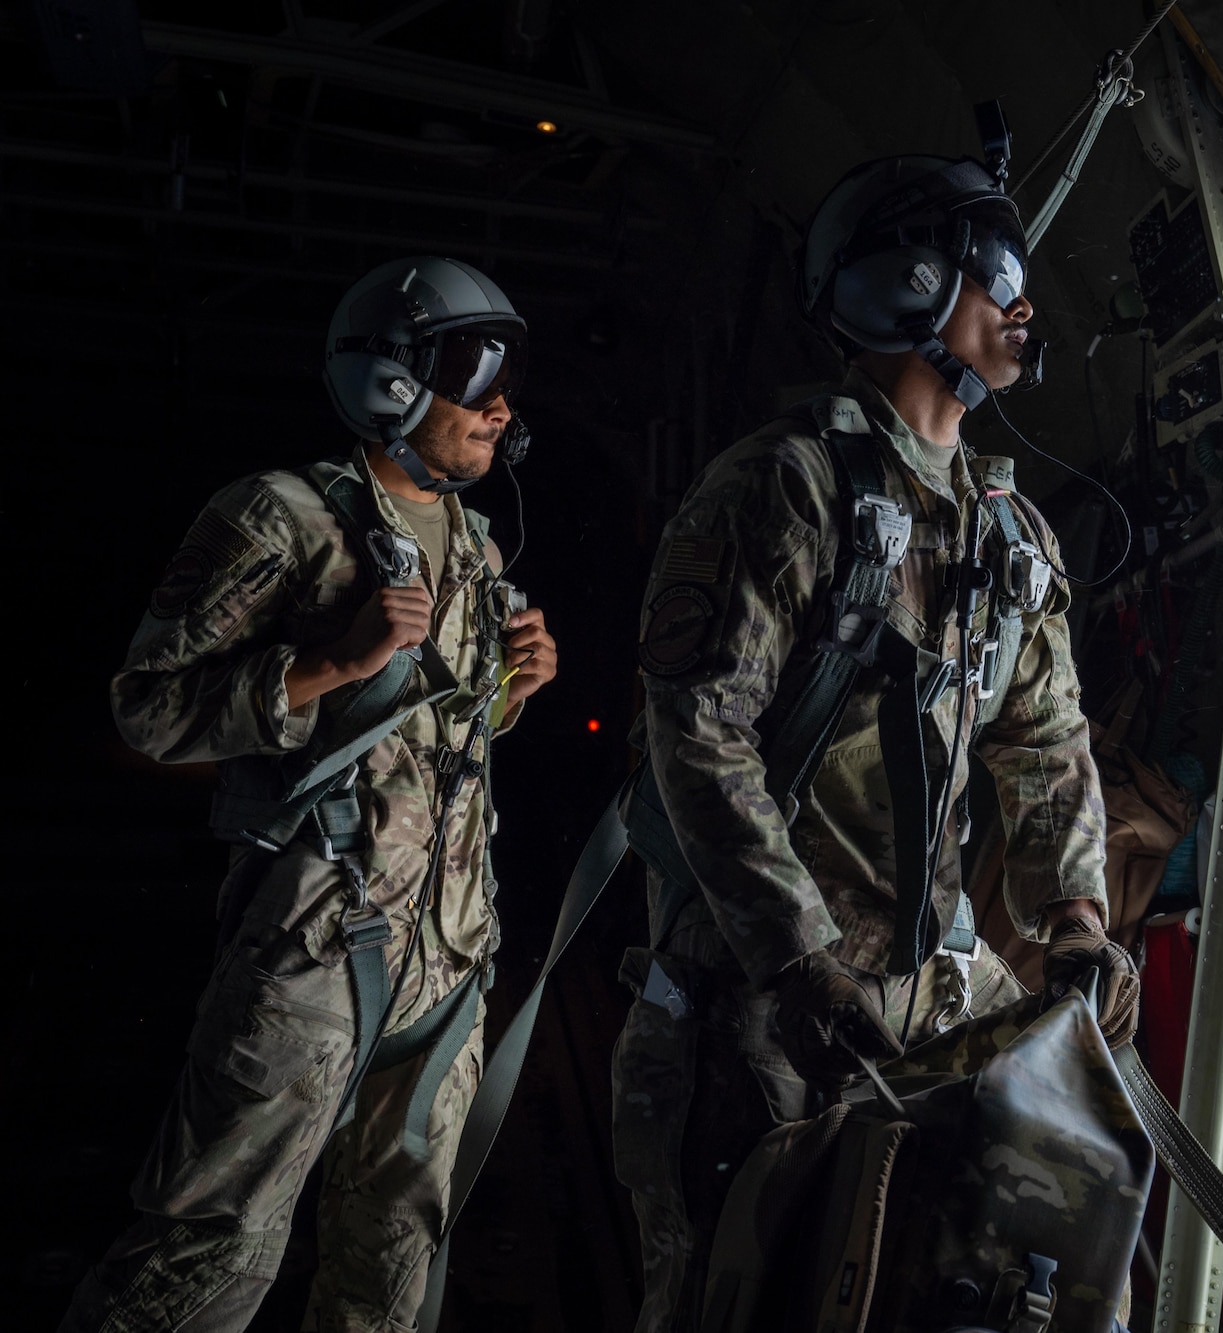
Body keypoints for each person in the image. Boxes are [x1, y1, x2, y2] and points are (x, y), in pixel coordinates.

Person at [611, 153, 1140, 1331]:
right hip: (757, 1014)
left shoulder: (1009, 529)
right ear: (909, 289)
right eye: (995, 273)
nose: (1023, 304)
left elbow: (1045, 741)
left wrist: (1074, 920)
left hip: (924, 1008)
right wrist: (797, 958)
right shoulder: (782, 491)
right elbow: (700, 735)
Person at [62, 256, 559, 1333]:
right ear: (392, 381)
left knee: (390, 1274)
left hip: (449, 964)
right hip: (315, 955)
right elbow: (148, 708)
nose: (501, 406)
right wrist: (333, 661)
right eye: (476, 374)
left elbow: (436, 740)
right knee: (208, 1251)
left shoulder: (475, 544)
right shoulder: (278, 516)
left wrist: (513, 690)